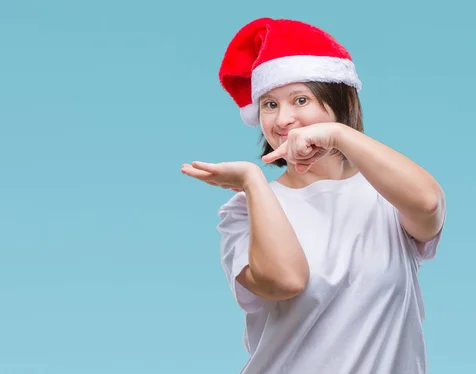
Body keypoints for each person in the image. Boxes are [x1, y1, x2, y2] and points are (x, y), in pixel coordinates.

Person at [181, 17, 446, 374]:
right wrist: (253, 182)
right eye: (269, 105)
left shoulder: (385, 191)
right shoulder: (245, 209)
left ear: (340, 103)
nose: (283, 119)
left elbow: (429, 204)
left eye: (301, 99)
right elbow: (285, 280)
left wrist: (337, 135)